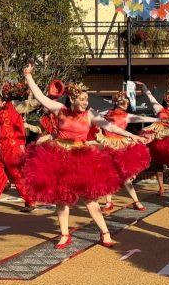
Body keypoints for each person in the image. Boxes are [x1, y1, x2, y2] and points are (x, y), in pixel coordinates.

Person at [21, 62, 148, 250]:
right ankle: (64, 235)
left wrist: (132, 135)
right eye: (82, 99)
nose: (85, 102)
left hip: (81, 159)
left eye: (86, 99)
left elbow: (110, 127)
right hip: (59, 158)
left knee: (90, 199)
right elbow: (40, 96)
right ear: (73, 99)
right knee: (62, 198)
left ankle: (105, 232)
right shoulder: (60, 110)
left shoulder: (90, 115)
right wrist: (28, 76)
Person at [98, 91, 157, 212]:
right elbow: (94, 118)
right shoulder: (106, 113)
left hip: (121, 146)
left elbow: (142, 118)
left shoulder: (126, 116)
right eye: (123, 103)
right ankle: (109, 202)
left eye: (127, 103)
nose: (126, 105)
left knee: (125, 176)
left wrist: (158, 119)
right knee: (108, 175)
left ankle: (136, 201)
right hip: (107, 146)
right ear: (116, 102)